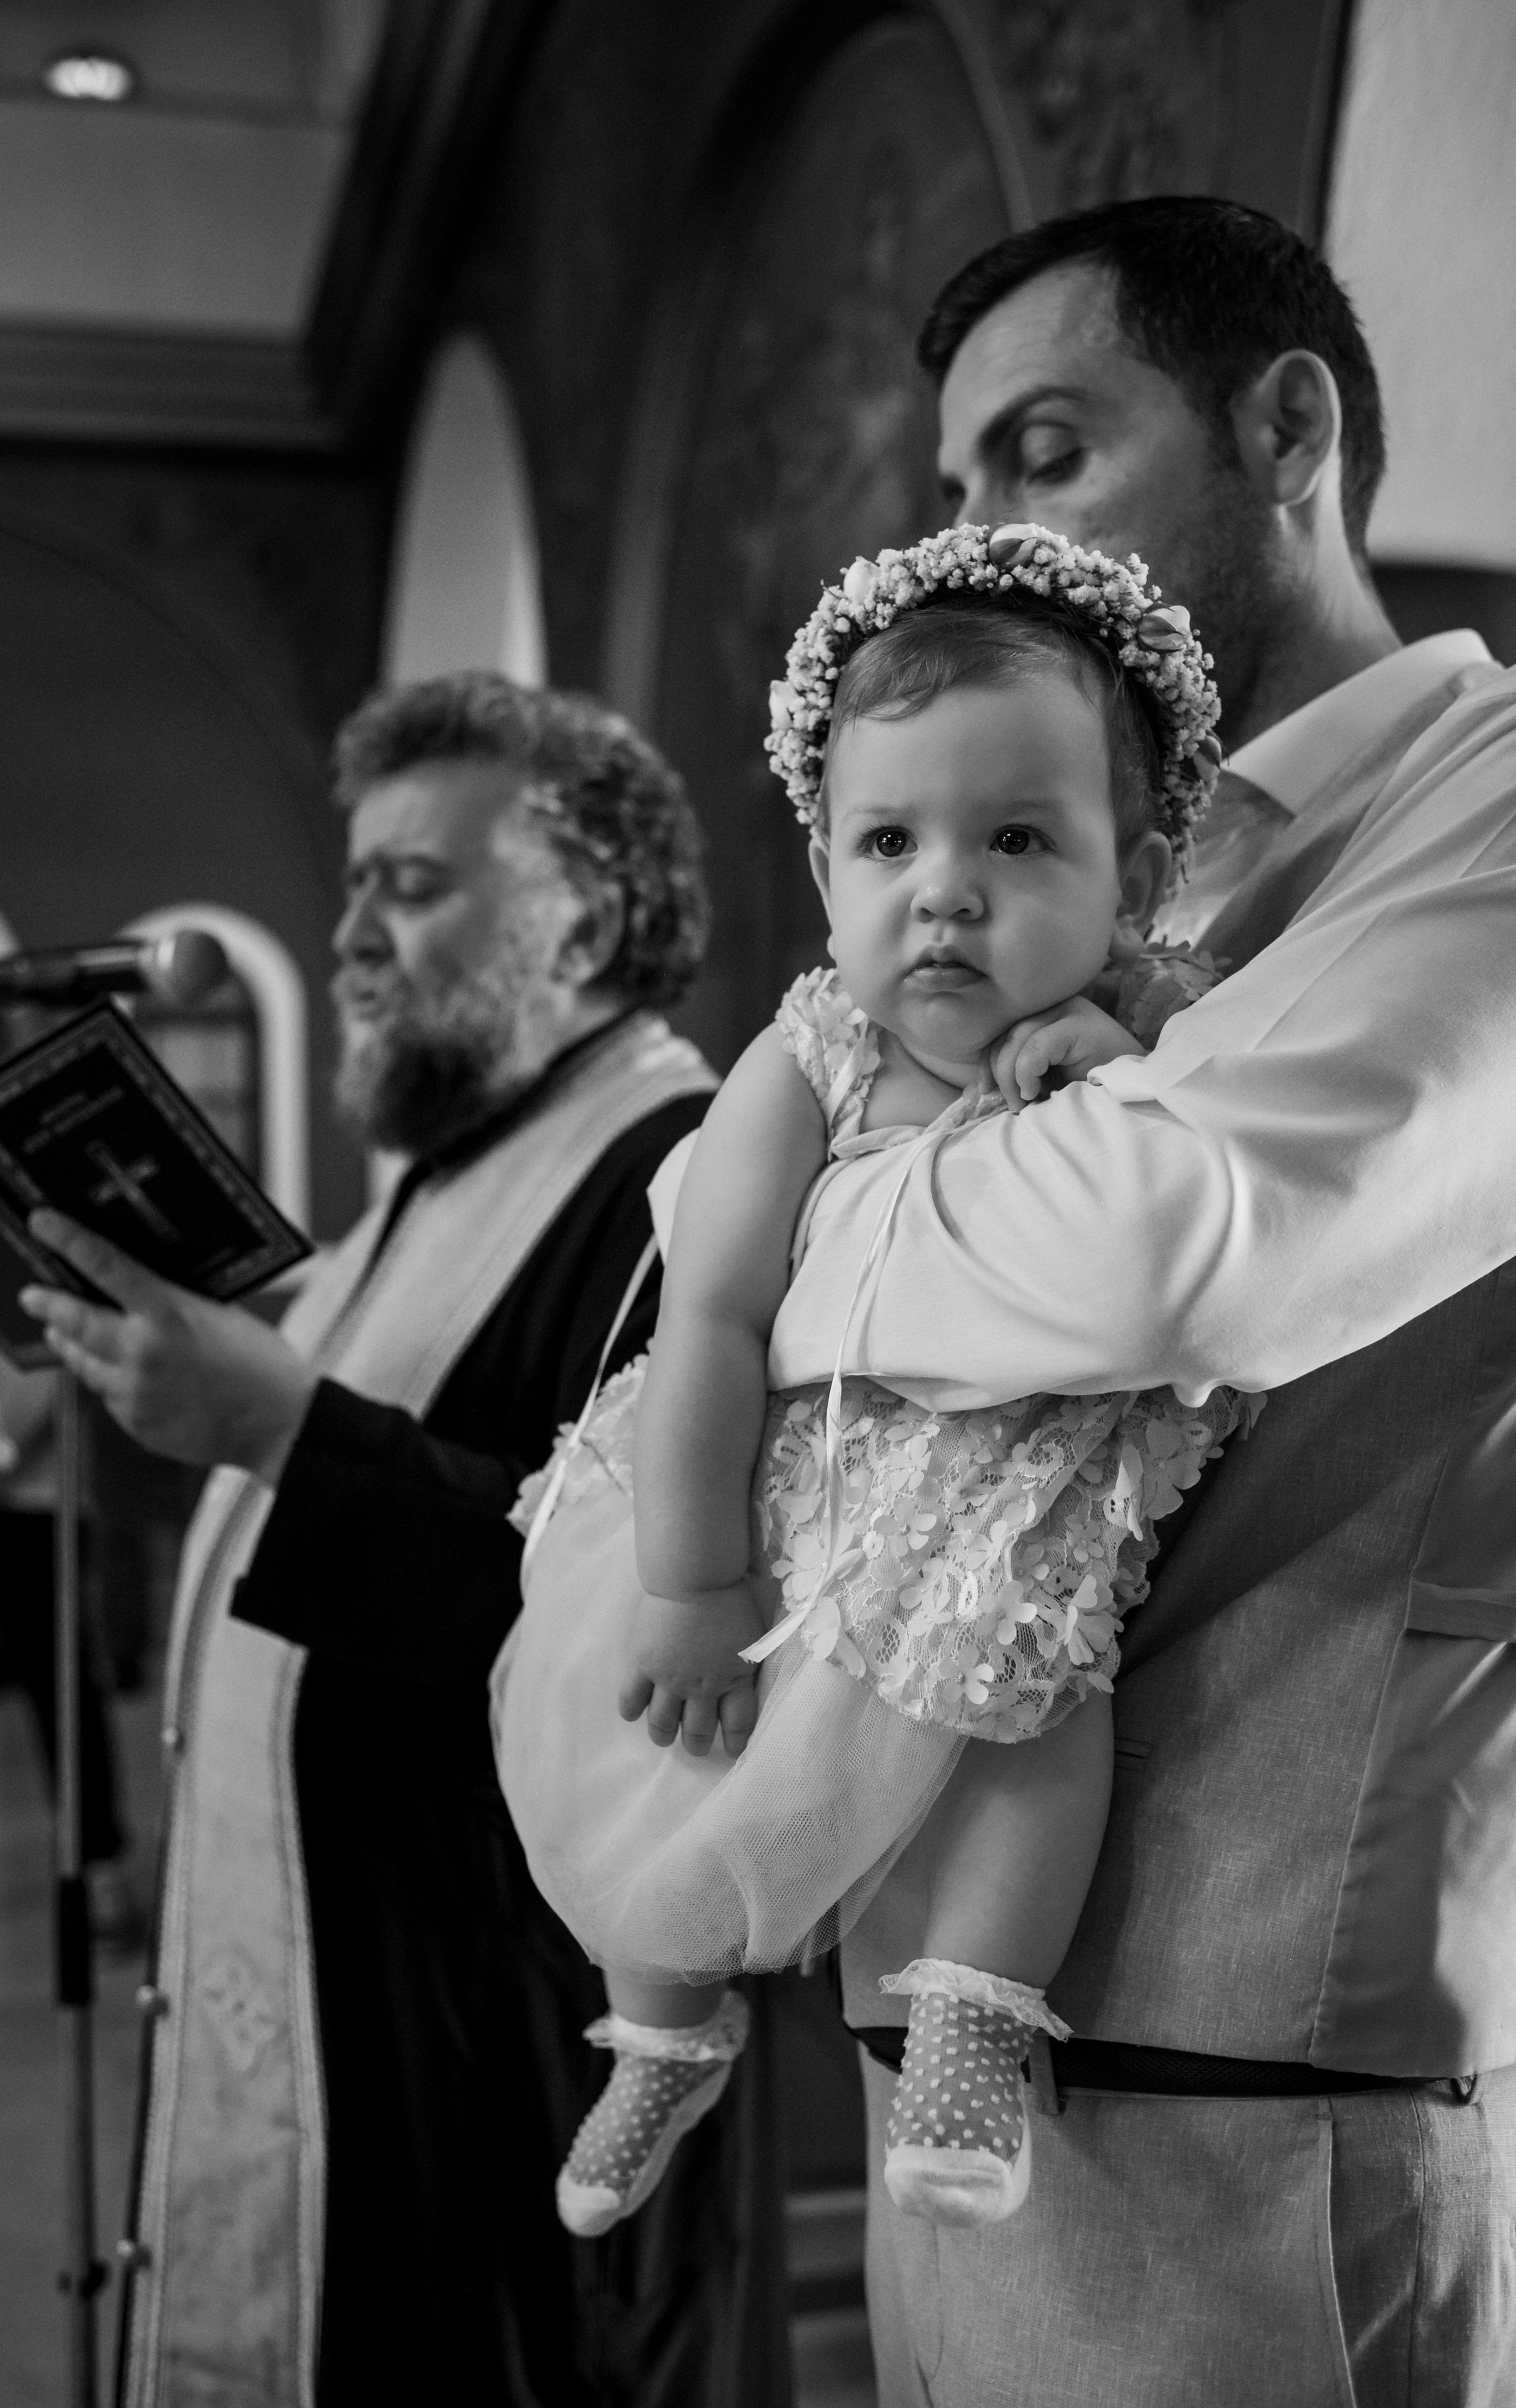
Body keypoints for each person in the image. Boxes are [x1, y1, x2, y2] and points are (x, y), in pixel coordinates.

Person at [766, 200, 1516, 2402]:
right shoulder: (1063, 867)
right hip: (959, 2060)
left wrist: (766, 1249)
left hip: (1266, 2107)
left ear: (1286, 431)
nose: (983, 545)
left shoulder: (1486, 811)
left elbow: (1166, 1253)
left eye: (1050, 452)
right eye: (958, 487)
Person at [19, 676, 789, 2408]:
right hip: (371, 1988)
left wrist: (280, 1429)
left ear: (583, 918)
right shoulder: (445, 1179)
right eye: (357, 882)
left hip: (508, 2038)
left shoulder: (689, 1174)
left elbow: (627, 1629)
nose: (354, 932)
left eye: (416, 885)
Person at [498, 524, 1253, 2239]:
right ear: (826, 864)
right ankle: (662, 2030)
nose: (946, 891)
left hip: (988, 1518)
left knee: (1032, 1707)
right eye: (890, 841)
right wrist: (692, 1578)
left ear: (1133, 875)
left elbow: (1210, 1192)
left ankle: (976, 2011)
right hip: (752, 1495)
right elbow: (709, 1315)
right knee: (644, 1761)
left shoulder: (1160, 1023)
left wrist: (1130, 1056)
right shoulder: (807, 1061)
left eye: (1018, 840)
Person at [0, 985, 135, 1947]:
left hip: (37, 1486)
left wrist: (2, 1460)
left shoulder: (45, 1182)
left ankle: (98, 1868)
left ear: (3, 1049)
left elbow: (79, 1334)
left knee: (61, 1683)